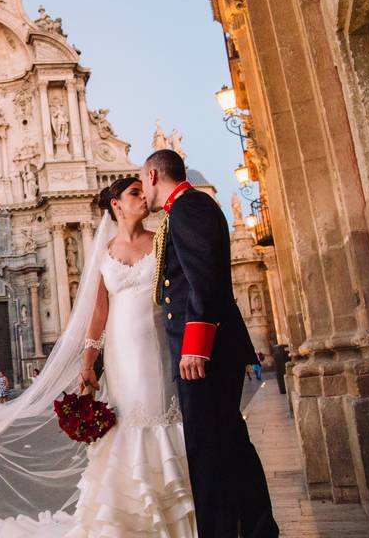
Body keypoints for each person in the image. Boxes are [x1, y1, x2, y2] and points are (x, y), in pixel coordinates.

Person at [140, 149, 278, 537]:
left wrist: (195, 345)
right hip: (205, 350)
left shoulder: (189, 207)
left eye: (142, 181)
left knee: (208, 450)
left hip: (204, 353)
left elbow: (205, 277)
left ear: (153, 175)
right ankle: (257, 528)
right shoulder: (181, 210)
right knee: (228, 442)